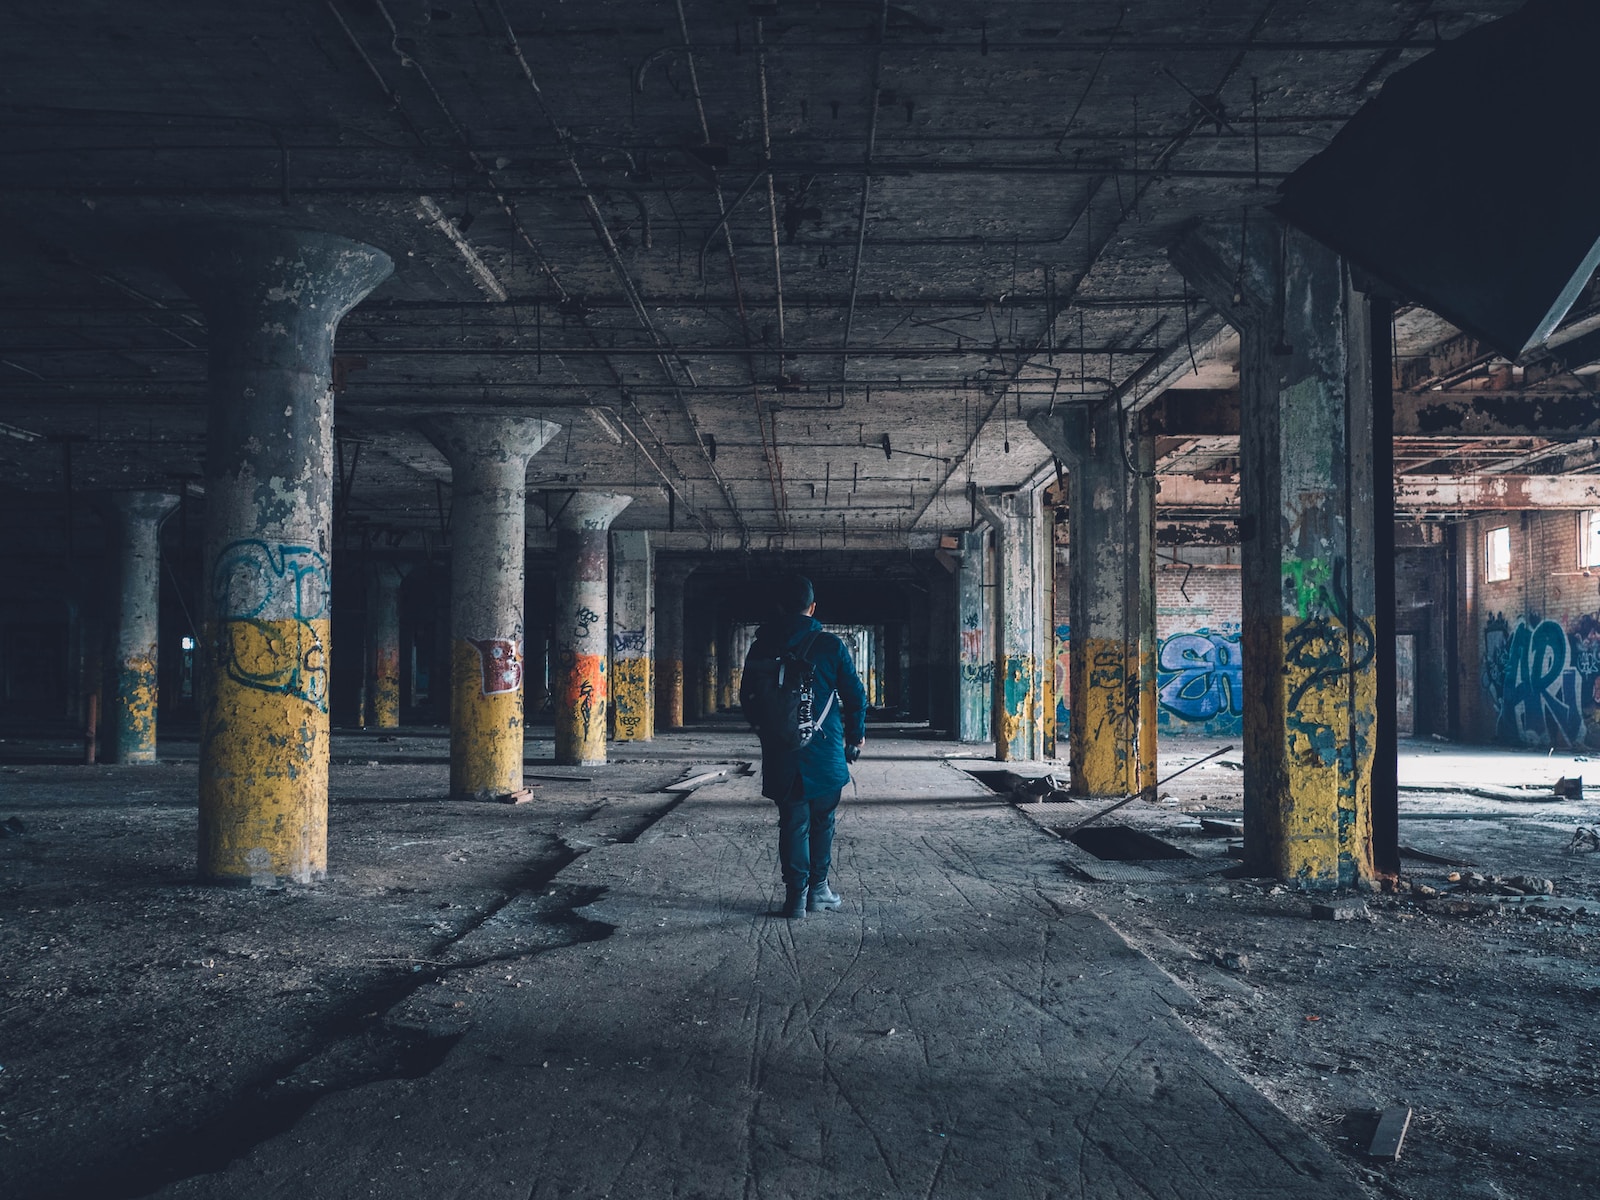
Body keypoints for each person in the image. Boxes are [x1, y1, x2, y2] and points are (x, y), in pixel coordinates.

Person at [740, 575, 867, 919]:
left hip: (782, 752)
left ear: (780, 607)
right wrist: (855, 735)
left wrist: (770, 732)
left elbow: (746, 699)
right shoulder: (830, 646)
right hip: (824, 752)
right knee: (822, 821)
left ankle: (795, 897)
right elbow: (855, 696)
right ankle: (818, 891)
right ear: (812, 608)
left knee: (792, 822)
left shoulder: (761, 646)